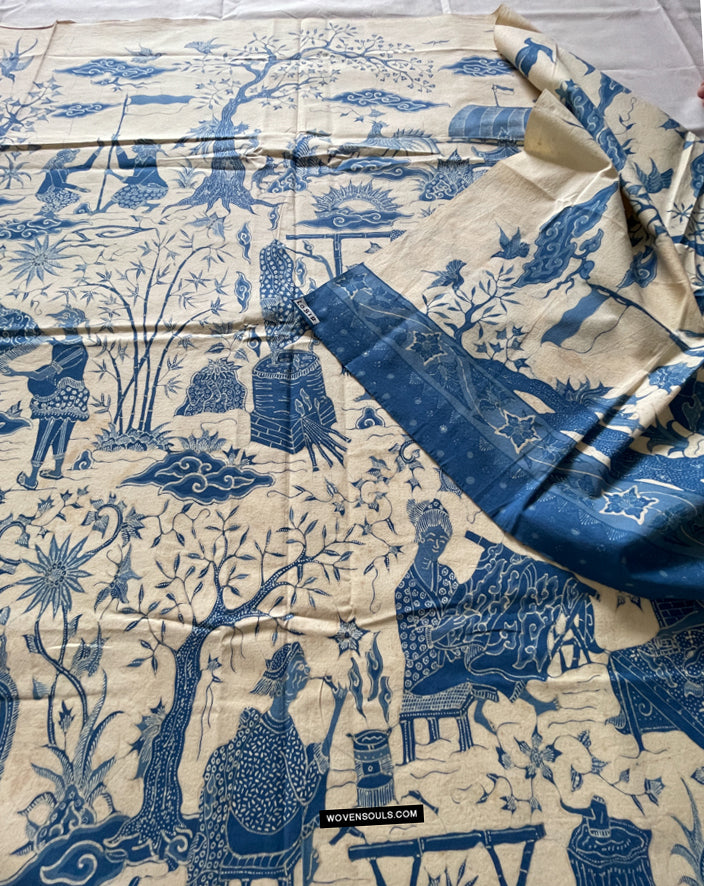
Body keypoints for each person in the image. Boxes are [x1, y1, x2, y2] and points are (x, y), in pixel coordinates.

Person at [187, 642, 347, 886]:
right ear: (287, 679)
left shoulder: (257, 727)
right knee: (316, 770)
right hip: (272, 833)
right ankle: (309, 857)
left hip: (237, 832)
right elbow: (304, 793)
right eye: (300, 667)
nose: (307, 671)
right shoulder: (285, 733)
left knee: (311, 756)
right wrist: (335, 714)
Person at [0, 307, 89, 489]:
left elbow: (43, 374)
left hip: (62, 395)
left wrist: (15, 372)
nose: (60, 324)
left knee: (46, 432)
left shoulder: (75, 350)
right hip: (73, 395)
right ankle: (57, 471)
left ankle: (32, 479)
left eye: (63, 321)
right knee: (61, 432)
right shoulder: (68, 343)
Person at [36, 145, 103, 214]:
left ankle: (48, 211)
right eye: (72, 155)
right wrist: (79, 188)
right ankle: (46, 211)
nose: (74, 157)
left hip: (55, 192)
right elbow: (58, 184)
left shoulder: (64, 169)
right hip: (45, 193)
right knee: (70, 197)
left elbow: (85, 167)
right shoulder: (53, 168)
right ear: (66, 156)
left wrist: (99, 149)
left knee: (72, 197)